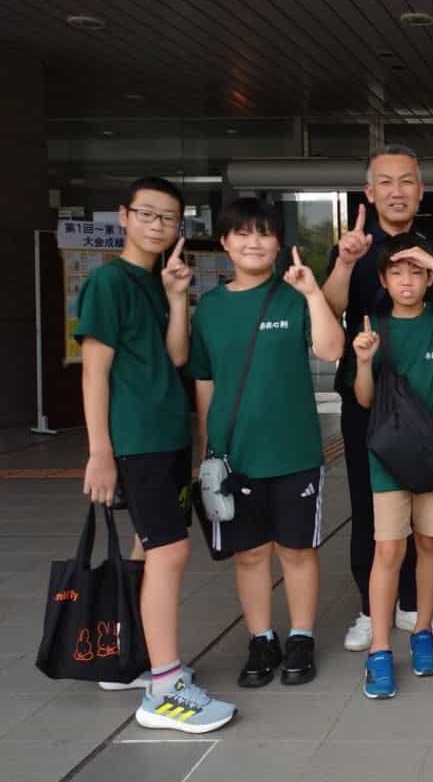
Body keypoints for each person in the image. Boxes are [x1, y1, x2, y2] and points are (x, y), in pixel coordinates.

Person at [75, 176, 236, 733]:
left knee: (151, 549)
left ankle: (131, 661)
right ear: (123, 216)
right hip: (136, 442)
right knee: (170, 553)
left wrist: (174, 295)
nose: (159, 226)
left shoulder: (154, 280)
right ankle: (165, 690)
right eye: (148, 214)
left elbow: (175, 354)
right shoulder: (109, 283)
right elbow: (94, 372)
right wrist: (100, 452)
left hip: (167, 438)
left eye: (170, 219)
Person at [188, 199, 344, 689]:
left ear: (279, 243)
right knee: (250, 554)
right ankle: (261, 639)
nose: (253, 242)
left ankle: (300, 637)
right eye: (242, 233)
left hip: (295, 451)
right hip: (236, 457)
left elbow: (331, 349)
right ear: (225, 243)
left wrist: (314, 293)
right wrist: (207, 450)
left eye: (264, 233)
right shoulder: (210, 307)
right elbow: (205, 381)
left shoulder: (294, 295)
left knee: (296, 551)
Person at [323, 145, 433, 650]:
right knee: (371, 504)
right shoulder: (355, 245)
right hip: (367, 390)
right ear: (369, 192)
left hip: (425, 400)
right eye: (385, 182)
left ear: (421, 190)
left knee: (425, 504)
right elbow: (332, 305)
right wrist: (344, 262)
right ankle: (371, 609)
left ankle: (414, 606)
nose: (397, 190)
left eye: (407, 181)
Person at [351, 232, 433, 698]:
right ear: (384, 280)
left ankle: (423, 630)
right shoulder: (376, 327)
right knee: (388, 550)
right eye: (397, 272)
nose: (406, 281)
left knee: (430, 543)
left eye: (416, 271)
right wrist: (365, 362)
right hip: (387, 454)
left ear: (428, 277)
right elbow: (365, 400)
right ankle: (380, 650)